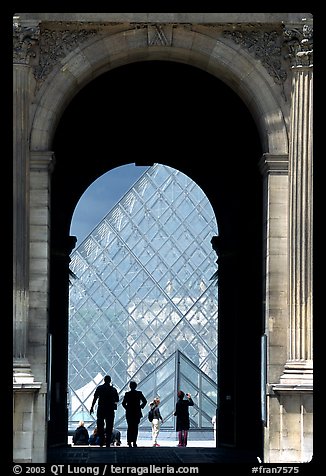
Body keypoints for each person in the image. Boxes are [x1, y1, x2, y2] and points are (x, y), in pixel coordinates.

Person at [89, 375, 119, 447]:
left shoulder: (99, 388)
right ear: (110, 381)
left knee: (100, 425)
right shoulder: (113, 389)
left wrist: (92, 407)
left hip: (101, 408)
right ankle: (108, 441)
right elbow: (117, 399)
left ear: (104, 380)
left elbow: (95, 398)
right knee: (109, 425)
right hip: (110, 409)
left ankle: (101, 440)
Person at [122, 381, 147, 447]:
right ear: (136, 386)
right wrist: (140, 407)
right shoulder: (139, 393)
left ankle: (129, 441)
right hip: (137, 412)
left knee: (129, 427)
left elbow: (123, 403)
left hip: (129, 413)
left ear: (130, 386)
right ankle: (134, 442)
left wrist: (127, 408)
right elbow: (145, 401)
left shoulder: (127, 394)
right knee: (135, 427)